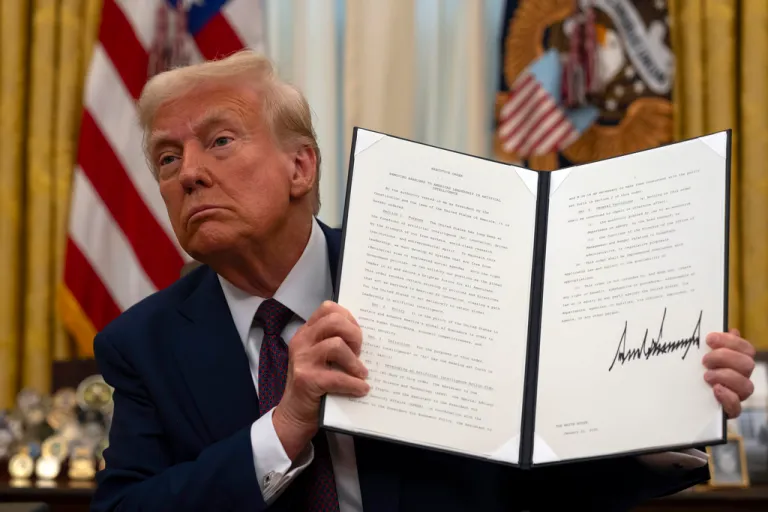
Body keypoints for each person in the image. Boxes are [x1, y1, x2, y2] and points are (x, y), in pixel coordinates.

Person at [90, 50, 758, 512]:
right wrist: (287, 425)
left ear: (301, 167)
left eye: (220, 141)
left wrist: (671, 406)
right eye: (167, 157)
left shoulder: (441, 278)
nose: (188, 174)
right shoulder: (142, 344)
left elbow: (533, 477)